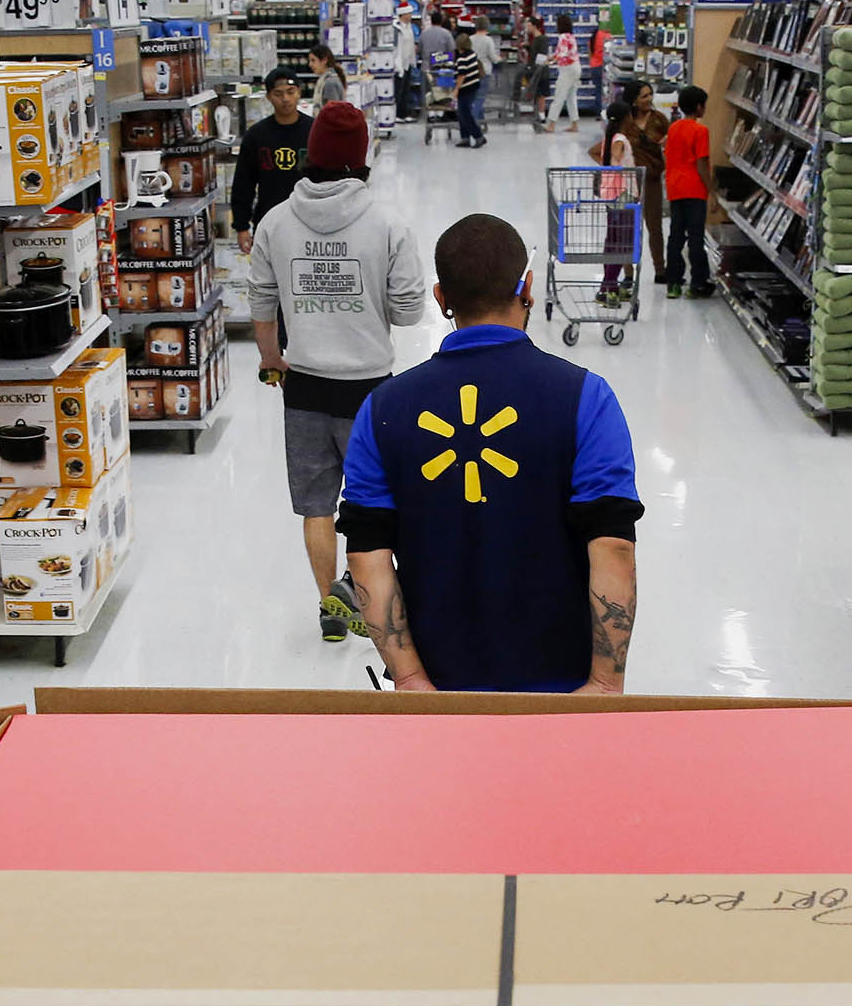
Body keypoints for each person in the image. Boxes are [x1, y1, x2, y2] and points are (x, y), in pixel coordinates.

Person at [339, 213, 641, 693]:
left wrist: (411, 677)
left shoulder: (382, 410)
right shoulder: (587, 398)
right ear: (528, 287)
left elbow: (368, 556)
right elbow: (614, 547)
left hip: (439, 688)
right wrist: (604, 684)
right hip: (559, 685)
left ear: (441, 298)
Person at [247, 103, 428, 643]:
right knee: (373, 504)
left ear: (312, 154)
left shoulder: (275, 221)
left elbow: (261, 301)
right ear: (361, 157)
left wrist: (271, 358)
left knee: (316, 505)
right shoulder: (388, 224)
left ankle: (330, 602)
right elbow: (410, 309)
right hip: (371, 390)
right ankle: (366, 592)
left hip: (302, 385)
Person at [231, 68, 313, 256]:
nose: (285, 99)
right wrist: (242, 226)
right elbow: (244, 183)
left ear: (299, 92)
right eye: (278, 94)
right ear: (268, 97)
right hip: (268, 222)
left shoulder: (315, 131)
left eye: (290, 92)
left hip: (309, 221)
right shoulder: (256, 136)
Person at [663, 84, 713, 299]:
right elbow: (702, 163)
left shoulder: (673, 128)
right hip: (694, 189)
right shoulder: (701, 131)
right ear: (699, 106)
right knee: (695, 237)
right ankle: (697, 283)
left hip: (675, 187)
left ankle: (673, 283)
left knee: (676, 236)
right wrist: (712, 191)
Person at [589, 100, 635, 303]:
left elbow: (604, 157)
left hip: (611, 194)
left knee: (613, 240)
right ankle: (608, 285)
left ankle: (610, 284)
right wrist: (619, 168)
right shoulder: (620, 139)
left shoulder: (609, 137)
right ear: (626, 118)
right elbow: (617, 157)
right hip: (622, 195)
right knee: (622, 243)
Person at [630, 80, 670, 285]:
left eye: (650, 95)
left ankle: (660, 270)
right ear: (634, 100)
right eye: (644, 96)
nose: (649, 99)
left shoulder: (659, 120)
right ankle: (627, 274)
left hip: (652, 180)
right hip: (628, 182)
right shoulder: (625, 121)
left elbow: (670, 144)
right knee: (627, 227)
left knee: (654, 226)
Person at [544, 15, 581, 133]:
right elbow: (561, 52)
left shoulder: (563, 37)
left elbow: (563, 53)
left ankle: (551, 124)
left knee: (559, 96)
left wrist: (552, 61)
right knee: (571, 97)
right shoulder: (571, 36)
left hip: (567, 70)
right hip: (576, 68)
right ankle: (574, 124)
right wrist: (551, 58)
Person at [453, 22, 485, 148]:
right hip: (474, 86)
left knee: (465, 114)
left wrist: (456, 89)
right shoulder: (472, 54)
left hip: (465, 89)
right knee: (463, 113)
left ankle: (478, 136)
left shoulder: (461, 58)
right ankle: (465, 138)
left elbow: (462, 75)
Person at [470, 19, 501, 128]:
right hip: (484, 71)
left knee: (474, 97)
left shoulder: (470, 39)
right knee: (480, 98)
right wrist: (500, 59)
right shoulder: (488, 40)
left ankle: (481, 122)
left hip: (471, 71)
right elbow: (493, 57)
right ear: (487, 26)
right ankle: (472, 122)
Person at [521, 15, 549, 118]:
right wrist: (528, 47)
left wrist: (533, 69)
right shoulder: (536, 39)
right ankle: (539, 115)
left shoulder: (542, 39)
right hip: (536, 72)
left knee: (540, 95)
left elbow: (541, 57)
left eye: (528, 26)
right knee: (537, 95)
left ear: (534, 26)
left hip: (540, 73)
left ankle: (542, 116)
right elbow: (535, 54)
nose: (527, 28)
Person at [306, 44, 346, 111]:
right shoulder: (325, 79)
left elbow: (332, 112)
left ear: (324, 60)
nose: (310, 64)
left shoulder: (330, 83)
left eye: (313, 60)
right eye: (309, 61)